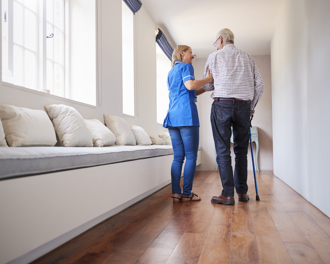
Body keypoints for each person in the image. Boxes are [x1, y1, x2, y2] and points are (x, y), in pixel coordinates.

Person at [201, 28, 264, 205]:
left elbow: (207, 85)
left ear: (220, 40)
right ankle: (242, 193)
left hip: (222, 105)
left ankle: (228, 194)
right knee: (241, 151)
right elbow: (259, 86)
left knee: (222, 150)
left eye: (215, 43)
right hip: (244, 106)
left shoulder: (214, 57)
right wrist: (250, 108)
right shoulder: (247, 57)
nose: (215, 46)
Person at [163, 45, 213, 202]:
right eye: (191, 53)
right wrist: (209, 79)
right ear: (182, 53)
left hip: (172, 117)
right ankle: (186, 193)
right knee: (191, 156)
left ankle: (176, 192)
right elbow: (190, 85)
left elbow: (189, 90)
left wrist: (205, 88)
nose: (192, 57)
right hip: (186, 116)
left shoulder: (171, 72)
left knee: (178, 157)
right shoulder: (186, 66)